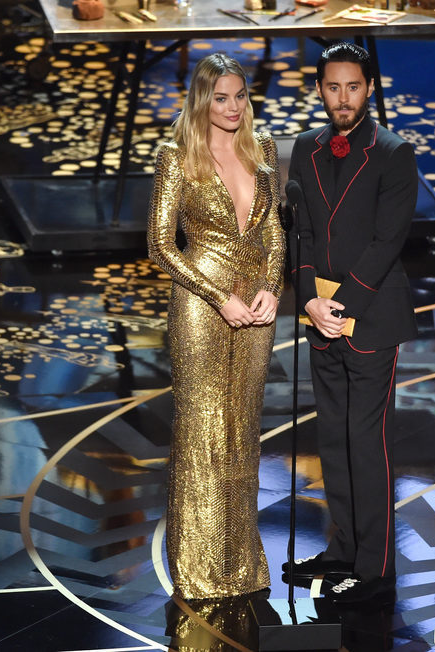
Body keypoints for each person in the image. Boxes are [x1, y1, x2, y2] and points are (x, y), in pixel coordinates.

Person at [147, 53, 285, 600]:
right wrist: (216, 295)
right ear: (202, 100)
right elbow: (160, 244)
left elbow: (274, 230)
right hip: (202, 305)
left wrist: (273, 288)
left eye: (240, 95)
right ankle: (199, 571)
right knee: (204, 432)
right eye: (221, 97)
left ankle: (241, 567)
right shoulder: (176, 156)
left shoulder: (265, 149)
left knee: (243, 433)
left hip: (257, 306)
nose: (232, 107)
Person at [284, 42, 418, 603]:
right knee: (333, 440)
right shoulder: (304, 149)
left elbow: (389, 241)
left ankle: (376, 565)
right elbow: (303, 234)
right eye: (333, 87)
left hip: (370, 317)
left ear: (369, 88)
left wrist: (343, 307)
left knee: (367, 441)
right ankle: (342, 550)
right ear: (320, 90)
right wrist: (311, 300)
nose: (343, 98)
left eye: (353, 87)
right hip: (321, 316)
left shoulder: (393, 152)